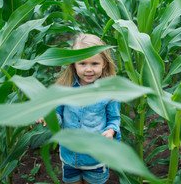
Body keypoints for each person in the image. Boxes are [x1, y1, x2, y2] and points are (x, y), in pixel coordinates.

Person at [38, 33, 121, 184]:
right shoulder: (65, 88)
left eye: (94, 64)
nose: (88, 69)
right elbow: (57, 112)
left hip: (95, 157)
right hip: (70, 156)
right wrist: (49, 116)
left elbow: (114, 118)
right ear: (73, 64)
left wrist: (111, 131)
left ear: (104, 64)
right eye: (82, 63)